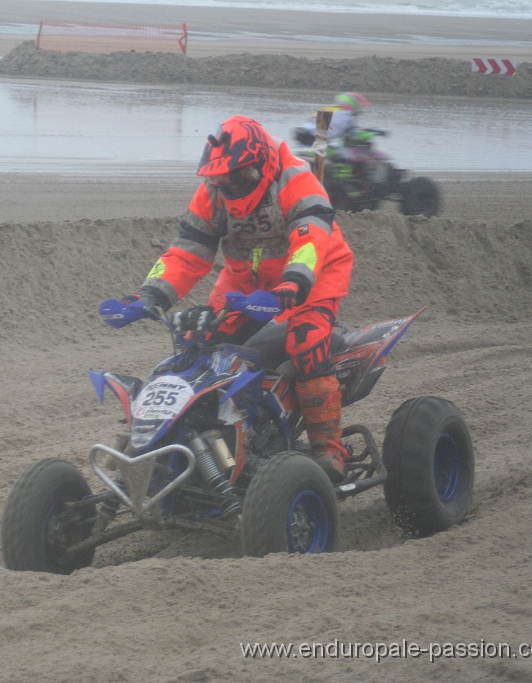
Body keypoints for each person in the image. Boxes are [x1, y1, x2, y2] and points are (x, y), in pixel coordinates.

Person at [119, 115, 355, 482]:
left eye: (236, 178)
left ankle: (329, 448)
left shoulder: (294, 179)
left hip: (313, 272)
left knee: (306, 342)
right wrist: (151, 293)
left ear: (262, 164)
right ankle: (219, 438)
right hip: (246, 282)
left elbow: (311, 237)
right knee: (202, 346)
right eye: (220, 179)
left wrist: (294, 283)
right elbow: (187, 253)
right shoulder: (214, 193)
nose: (227, 187)